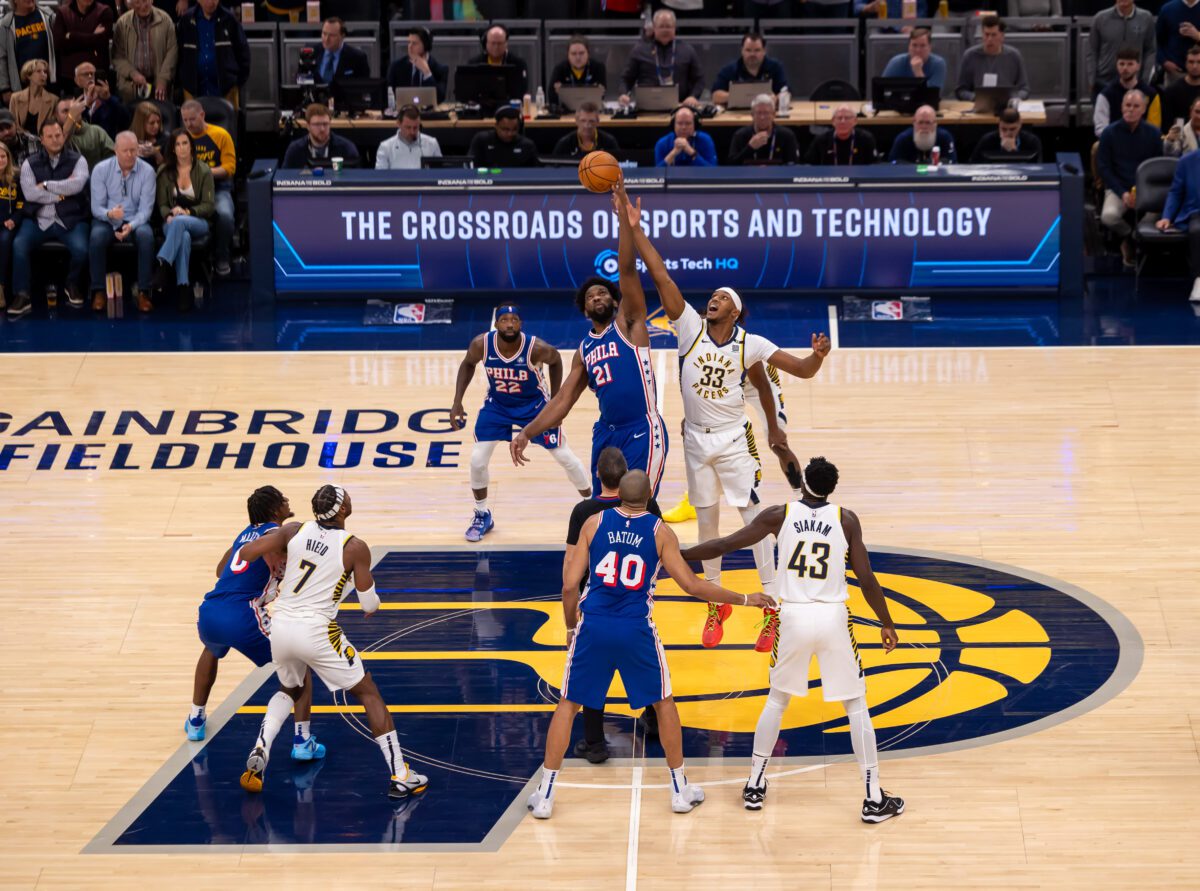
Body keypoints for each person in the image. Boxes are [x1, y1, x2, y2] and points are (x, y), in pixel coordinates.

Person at [611, 182, 831, 649]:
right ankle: (718, 604)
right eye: (712, 295)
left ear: (737, 311)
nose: (713, 298)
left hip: (734, 439)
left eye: (723, 297)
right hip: (695, 440)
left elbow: (804, 371)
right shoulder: (689, 327)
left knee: (753, 522)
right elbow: (660, 274)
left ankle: (772, 606)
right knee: (707, 524)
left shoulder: (752, 343)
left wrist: (819, 356)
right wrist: (636, 228)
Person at [526, 469, 775, 820]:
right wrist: (745, 598)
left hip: (593, 625)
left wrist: (570, 627)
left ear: (618, 494)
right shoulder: (660, 532)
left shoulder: (593, 523)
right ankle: (679, 790)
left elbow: (569, 584)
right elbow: (692, 586)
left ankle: (546, 795)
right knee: (663, 703)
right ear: (649, 498)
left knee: (568, 705)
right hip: (635, 628)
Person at [680, 456, 905, 823]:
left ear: (802, 483)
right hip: (833, 618)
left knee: (777, 701)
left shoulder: (778, 514)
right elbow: (866, 577)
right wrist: (886, 621)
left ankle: (754, 783)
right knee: (856, 705)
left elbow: (725, 544)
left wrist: (682, 554)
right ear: (832, 489)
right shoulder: (846, 519)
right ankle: (873, 796)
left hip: (794, 616)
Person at [233, 485, 430, 801]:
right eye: (346, 497)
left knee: (289, 690)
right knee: (367, 692)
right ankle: (402, 775)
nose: (350, 500)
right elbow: (369, 605)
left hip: (281, 625)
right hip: (316, 630)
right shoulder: (354, 548)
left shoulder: (294, 530)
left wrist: (277, 562)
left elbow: (246, 553)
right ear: (340, 510)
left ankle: (261, 747)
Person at [509, 188, 668, 504]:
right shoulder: (583, 350)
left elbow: (626, 270)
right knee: (603, 508)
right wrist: (527, 432)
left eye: (603, 293)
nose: (597, 296)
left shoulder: (629, 324)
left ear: (615, 301)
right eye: (590, 296)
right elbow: (563, 400)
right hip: (606, 433)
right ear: (585, 309)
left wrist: (624, 220)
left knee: (638, 506)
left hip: (641, 430)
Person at [186, 486, 322, 764]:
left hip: (211, 609)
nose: (287, 500)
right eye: (283, 499)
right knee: (298, 664)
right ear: (275, 511)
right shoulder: (276, 534)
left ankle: (195, 720)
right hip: (243, 614)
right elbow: (294, 536)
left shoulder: (243, 536)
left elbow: (220, 569)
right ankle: (302, 740)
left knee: (210, 652)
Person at [451, 304, 592, 542]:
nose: (509, 324)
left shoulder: (536, 348)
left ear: (520, 324)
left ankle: (593, 506)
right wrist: (457, 402)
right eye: (504, 320)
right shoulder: (481, 344)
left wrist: (556, 401)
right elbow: (467, 364)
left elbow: (556, 360)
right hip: (498, 406)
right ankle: (482, 514)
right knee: (477, 460)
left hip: (534, 407)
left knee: (565, 457)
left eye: (514, 320)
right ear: (496, 324)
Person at [563, 446, 667, 763]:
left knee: (594, 674)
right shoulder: (649, 507)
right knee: (643, 661)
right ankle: (652, 718)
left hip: (596, 602)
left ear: (597, 473)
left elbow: (570, 568)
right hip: (634, 599)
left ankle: (595, 743)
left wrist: (570, 620)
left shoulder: (586, 513)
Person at [12, 117, 89, 316]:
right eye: (50, 136)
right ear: (42, 139)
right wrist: (63, 194)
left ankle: (71, 284)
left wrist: (46, 185)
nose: (55, 140)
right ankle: (22, 294)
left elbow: (77, 185)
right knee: (19, 245)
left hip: (70, 218)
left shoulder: (78, 160)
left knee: (81, 249)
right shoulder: (30, 163)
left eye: (58, 135)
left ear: (63, 136)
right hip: (38, 219)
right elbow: (30, 194)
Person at [88, 130, 155, 312]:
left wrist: (130, 225)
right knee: (96, 237)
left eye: (133, 150)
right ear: (115, 150)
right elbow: (96, 208)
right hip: (107, 219)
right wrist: (110, 214)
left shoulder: (147, 171)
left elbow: (146, 210)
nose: (130, 155)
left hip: (135, 220)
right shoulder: (101, 170)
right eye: (125, 151)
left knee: (146, 237)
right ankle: (99, 291)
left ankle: (143, 292)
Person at [1097, 89, 1161, 265]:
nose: (1130, 110)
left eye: (1135, 106)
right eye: (1127, 105)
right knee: (1108, 216)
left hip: (1144, 189)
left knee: (1158, 215)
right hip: (1118, 188)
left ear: (1143, 110)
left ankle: (1138, 236)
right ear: (1121, 107)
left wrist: (1142, 192)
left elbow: (1155, 168)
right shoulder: (1109, 133)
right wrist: (1123, 193)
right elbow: (1104, 168)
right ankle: (1128, 236)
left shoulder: (1154, 134)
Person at [154, 127, 213, 311]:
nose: (181, 148)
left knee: (181, 224)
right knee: (183, 236)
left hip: (197, 221)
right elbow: (162, 204)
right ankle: (183, 287)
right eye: (177, 144)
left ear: (191, 146)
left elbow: (209, 206)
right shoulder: (164, 171)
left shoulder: (203, 170)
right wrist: (168, 215)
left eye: (185, 143)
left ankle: (163, 263)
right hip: (171, 222)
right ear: (172, 148)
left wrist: (187, 213)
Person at [180, 99, 234, 276]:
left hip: (218, 188)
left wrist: (205, 172)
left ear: (202, 115)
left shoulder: (220, 134)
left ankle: (222, 257)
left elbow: (229, 168)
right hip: (187, 190)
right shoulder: (181, 138)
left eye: (192, 119)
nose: (188, 124)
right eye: (185, 120)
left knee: (225, 215)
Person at [619, 9, 703, 107]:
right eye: (661, 26)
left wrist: (693, 96)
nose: (665, 30)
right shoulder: (640, 50)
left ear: (674, 28)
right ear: (654, 28)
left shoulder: (687, 50)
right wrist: (623, 94)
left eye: (668, 26)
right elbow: (626, 79)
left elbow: (699, 79)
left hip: (680, 107)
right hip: (646, 108)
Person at [175, 0, 250, 108]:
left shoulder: (229, 19)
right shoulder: (186, 20)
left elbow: (243, 55)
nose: (210, 2)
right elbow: (179, 54)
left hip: (226, 91)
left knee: (229, 124)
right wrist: (184, 79)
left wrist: (235, 83)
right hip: (193, 90)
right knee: (193, 124)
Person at [1156, 145, 1200, 301]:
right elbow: (1175, 192)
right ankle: (1198, 280)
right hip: (1196, 212)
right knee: (1197, 231)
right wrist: (1166, 216)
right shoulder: (1187, 161)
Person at [112, 0, 177, 103]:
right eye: (137, 2)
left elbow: (172, 52)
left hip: (158, 84)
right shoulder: (122, 23)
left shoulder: (165, 20)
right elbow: (117, 56)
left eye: (145, 1)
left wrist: (163, 79)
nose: (143, 6)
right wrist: (133, 73)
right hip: (131, 86)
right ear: (130, 4)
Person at [955, 15, 1030, 102]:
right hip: (978, 106)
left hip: (1006, 105)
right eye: (986, 34)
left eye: (994, 35)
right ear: (982, 35)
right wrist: (975, 97)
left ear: (1002, 36)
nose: (989, 39)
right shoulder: (970, 56)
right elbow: (960, 90)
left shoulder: (1014, 55)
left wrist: (1016, 98)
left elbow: (1025, 89)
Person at [1093, 46, 1160, 136]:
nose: (1125, 68)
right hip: (1114, 142)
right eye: (1122, 64)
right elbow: (1101, 128)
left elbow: (1154, 128)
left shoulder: (1151, 94)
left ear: (1138, 66)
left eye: (1130, 64)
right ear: (1116, 66)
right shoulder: (1105, 95)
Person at [1090, 0, 1155, 92]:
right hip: (1104, 82)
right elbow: (1092, 51)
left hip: (1135, 82)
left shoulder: (1146, 18)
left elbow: (1150, 50)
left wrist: (1145, 79)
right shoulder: (1100, 18)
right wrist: (1091, 80)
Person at [0, 0, 57, 105]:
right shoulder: (5, 24)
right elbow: (2, 59)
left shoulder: (48, 16)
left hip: (49, 85)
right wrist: (5, 89)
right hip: (20, 87)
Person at [710, 32, 788, 107]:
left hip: (766, 113)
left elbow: (786, 92)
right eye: (748, 50)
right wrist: (738, 96)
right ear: (742, 51)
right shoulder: (729, 69)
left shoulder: (775, 67)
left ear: (764, 51)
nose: (752, 54)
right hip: (736, 115)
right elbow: (715, 96)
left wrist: (776, 98)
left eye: (757, 50)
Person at [52, 0, 114, 85]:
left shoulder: (104, 11)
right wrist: (92, 35)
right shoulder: (63, 12)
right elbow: (59, 43)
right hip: (69, 76)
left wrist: (72, 35)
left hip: (96, 74)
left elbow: (101, 41)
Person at [282, 101, 360, 169]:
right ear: (308, 126)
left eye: (325, 124)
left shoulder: (346, 148)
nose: (322, 129)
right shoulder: (295, 150)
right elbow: (283, 179)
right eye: (317, 124)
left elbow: (357, 179)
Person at [728, 93, 799, 165]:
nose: (762, 117)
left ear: (773, 114)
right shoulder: (740, 135)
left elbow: (793, 164)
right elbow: (731, 165)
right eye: (758, 113)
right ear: (752, 115)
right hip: (749, 175)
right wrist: (750, 148)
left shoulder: (787, 136)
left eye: (766, 113)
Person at [387, 26, 448, 105]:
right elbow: (388, 96)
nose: (410, 46)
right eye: (409, 42)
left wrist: (427, 73)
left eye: (414, 43)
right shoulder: (396, 67)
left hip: (429, 114)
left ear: (426, 45)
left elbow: (439, 98)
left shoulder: (440, 69)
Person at [465, 22, 529, 99]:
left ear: (506, 44)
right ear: (486, 43)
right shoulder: (474, 64)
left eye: (499, 43)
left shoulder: (518, 64)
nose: (496, 47)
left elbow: (521, 94)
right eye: (493, 43)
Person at [467, 105, 539, 168]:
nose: (510, 133)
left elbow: (536, 173)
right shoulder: (482, 140)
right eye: (505, 129)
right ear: (496, 126)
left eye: (514, 129)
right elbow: (469, 165)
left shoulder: (527, 145)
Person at [805, 103, 876, 166]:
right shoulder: (821, 140)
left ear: (855, 121)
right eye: (839, 118)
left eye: (847, 118)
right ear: (833, 121)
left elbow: (875, 166)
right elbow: (808, 166)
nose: (843, 121)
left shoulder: (866, 139)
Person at [375, 104, 441, 170]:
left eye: (415, 127)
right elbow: (380, 177)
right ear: (398, 124)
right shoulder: (386, 147)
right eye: (408, 127)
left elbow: (440, 173)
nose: (412, 132)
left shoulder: (432, 144)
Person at [880, 27, 947, 91]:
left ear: (930, 47)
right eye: (914, 45)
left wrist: (918, 72)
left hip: (926, 103)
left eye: (922, 45)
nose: (918, 50)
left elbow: (933, 95)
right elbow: (882, 89)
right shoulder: (896, 62)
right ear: (909, 47)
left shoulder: (938, 64)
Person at [549, 33, 607, 106]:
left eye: (581, 53)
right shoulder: (560, 69)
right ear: (568, 55)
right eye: (573, 54)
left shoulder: (598, 67)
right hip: (566, 112)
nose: (578, 58)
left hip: (590, 110)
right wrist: (557, 93)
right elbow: (551, 98)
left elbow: (602, 95)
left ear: (588, 53)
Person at [56, 95, 113, 168]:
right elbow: (56, 152)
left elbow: (114, 158)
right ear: (57, 116)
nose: (72, 113)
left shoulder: (96, 131)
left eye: (74, 109)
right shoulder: (53, 135)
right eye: (65, 111)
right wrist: (71, 119)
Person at [969, 107, 1043, 162]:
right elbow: (973, 165)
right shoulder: (987, 140)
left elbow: (1038, 168)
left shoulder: (1032, 141)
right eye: (1004, 129)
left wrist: (1014, 153)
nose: (1008, 133)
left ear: (1020, 124)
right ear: (999, 124)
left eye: (1012, 129)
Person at [888, 104, 956, 164]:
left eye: (928, 123)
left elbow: (952, 161)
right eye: (920, 122)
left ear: (935, 124)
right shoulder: (903, 138)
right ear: (914, 123)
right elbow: (893, 162)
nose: (924, 127)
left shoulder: (945, 137)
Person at [551, 101, 620, 159]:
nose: (587, 125)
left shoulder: (609, 142)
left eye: (591, 121)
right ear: (576, 121)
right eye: (583, 121)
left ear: (598, 122)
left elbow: (618, 165)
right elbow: (553, 169)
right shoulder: (564, 144)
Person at [311, 17, 370, 85]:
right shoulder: (312, 53)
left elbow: (363, 87)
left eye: (332, 35)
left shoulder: (358, 58)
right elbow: (301, 80)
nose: (326, 39)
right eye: (324, 34)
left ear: (342, 36)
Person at [1157, 0, 1200, 83]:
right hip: (1174, 73)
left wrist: (1197, 35)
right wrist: (1164, 61)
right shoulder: (1167, 9)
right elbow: (1156, 41)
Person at [10, 59, 57, 136]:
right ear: (28, 75)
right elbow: (12, 123)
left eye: (45, 72)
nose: (43, 75)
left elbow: (52, 126)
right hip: (21, 140)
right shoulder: (15, 98)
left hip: (43, 142)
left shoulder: (54, 100)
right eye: (38, 71)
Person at [0, 142, 19, 314]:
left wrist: (15, 219)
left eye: (3, 156)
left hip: (10, 224)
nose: (0, 160)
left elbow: (22, 204)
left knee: (5, 240)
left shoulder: (16, 177)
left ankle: (1, 286)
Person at [1162, 45, 1200, 127]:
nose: (1195, 66)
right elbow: (1166, 125)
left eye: (1199, 62)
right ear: (1186, 64)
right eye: (1191, 62)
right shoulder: (1172, 91)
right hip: (1179, 136)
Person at [130, 99, 168, 167]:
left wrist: (156, 153)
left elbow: (167, 169)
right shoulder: (129, 139)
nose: (156, 126)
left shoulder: (165, 139)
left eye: (158, 122)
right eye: (152, 123)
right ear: (141, 123)